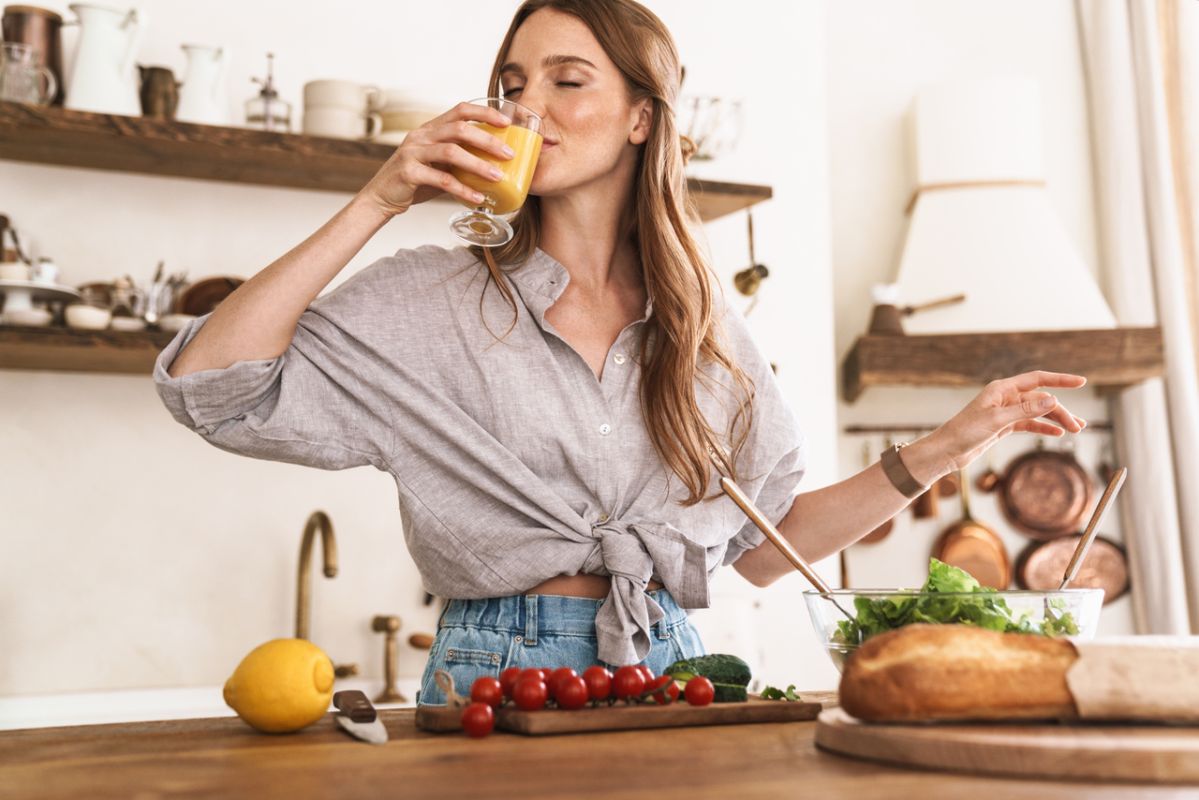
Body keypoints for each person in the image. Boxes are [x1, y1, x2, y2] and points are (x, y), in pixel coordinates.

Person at [153, 0, 1085, 705]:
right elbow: (209, 388)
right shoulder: (431, 295)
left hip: (672, 665)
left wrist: (947, 446)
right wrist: (377, 200)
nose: (528, 106)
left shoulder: (704, 325)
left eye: (567, 80)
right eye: (511, 84)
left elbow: (766, 551)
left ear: (642, 117)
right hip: (496, 672)